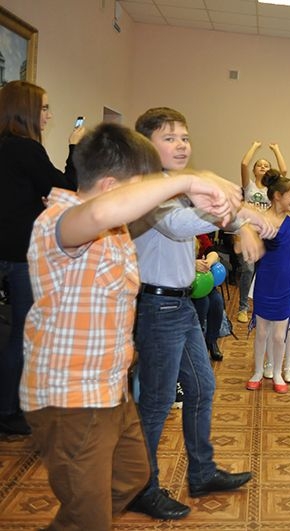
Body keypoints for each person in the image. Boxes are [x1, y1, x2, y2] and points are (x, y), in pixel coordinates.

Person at [20, 122, 236, 530]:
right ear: (109, 186)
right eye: (142, 186)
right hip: (69, 398)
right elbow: (99, 212)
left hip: (107, 390)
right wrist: (189, 180)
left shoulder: (116, 230)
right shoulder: (59, 220)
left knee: (132, 475)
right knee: (89, 517)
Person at [129, 107, 265, 520]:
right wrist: (231, 216)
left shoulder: (176, 185)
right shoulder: (145, 187)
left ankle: (202, 473)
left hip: (181, 304)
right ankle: (141, 487)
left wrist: (243, 222)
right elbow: (177, 225)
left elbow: (206, 214)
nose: (181, 145)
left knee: (202, 388)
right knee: (156, 403)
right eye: (169, 138)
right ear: (146, 144)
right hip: (157, 307)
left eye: (184, 137)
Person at [0, 80, 83, 436]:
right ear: (27, 111)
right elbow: (65, 187)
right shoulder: (26, 149)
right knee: (24, 334)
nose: (48, 114)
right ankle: (8, 411)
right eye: (45, 107)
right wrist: (74, 148)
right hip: (20, 255)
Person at [246, 176, 290, 392]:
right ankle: (258, 371)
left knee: (279, 334)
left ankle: (277, 373)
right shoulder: (259, 219)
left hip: (286, 282)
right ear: (277, 196)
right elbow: (248, 248)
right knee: (261, 332)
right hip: (265, 280)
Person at [236, 141, 288, 323]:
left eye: (266, 166)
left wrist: (276, 149)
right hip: (249, 233)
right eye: (260, 165)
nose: (263, 167)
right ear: (254, 170)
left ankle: (261, 307)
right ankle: (243, 307)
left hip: (266, 235)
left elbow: (284, 171)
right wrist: (254, 146)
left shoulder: (272, 189)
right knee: (248, 269)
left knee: (264, 272)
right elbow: (244, 164)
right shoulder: (249, 186)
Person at [192, 241, 226, 361]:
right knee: (203, 302)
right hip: (186, 286)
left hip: (204, 282)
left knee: (217, 301)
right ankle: (197, 343)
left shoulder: (200, 235)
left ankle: (212, 341)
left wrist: (207, 263)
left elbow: (213, 252)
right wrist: (192, 264)